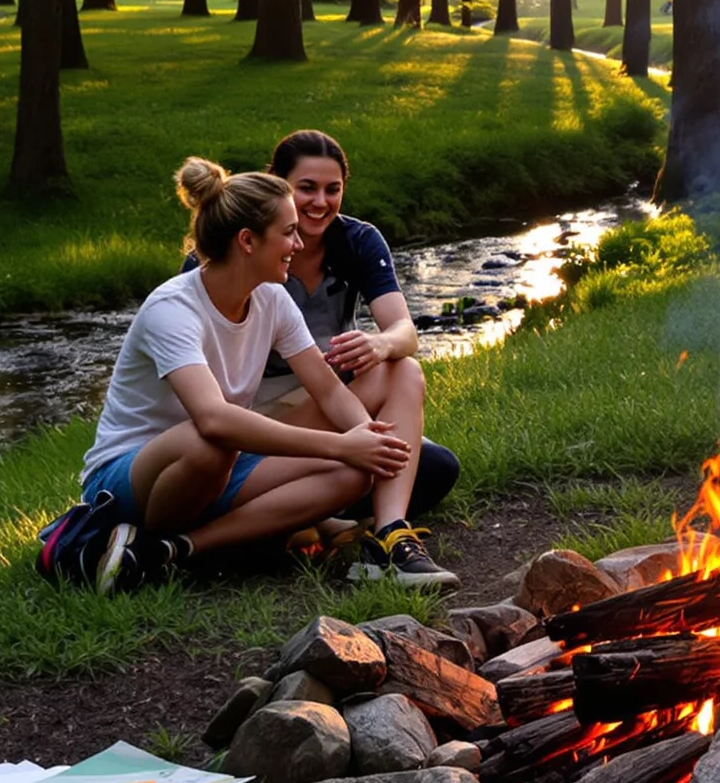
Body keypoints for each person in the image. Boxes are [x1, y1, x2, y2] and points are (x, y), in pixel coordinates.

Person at [39, 157, 458, 594]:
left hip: (225, 462)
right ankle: (160, 534)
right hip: (133, 476)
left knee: (353, 472)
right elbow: (214, 419)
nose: (299, 243)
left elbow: (329, 390)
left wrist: (366, 440)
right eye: (289, 232)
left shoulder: (271, 298)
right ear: (247, 241)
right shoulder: (173, 308)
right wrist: (341, 444)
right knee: (208, 441)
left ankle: (172, 551)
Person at [256, 128, 459, 565]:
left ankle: (382, 530)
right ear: (279, 185)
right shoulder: (245, 245)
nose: (320, 202)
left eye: (333, 190)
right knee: (396, 437)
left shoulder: (358, 240)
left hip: (333, 398)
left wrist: (380, 343)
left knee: (436, 466)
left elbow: (406, 332)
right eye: (306, 188)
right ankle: (324, 521)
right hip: (259, 415)